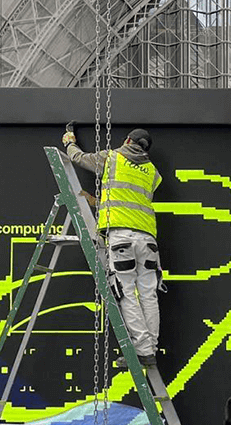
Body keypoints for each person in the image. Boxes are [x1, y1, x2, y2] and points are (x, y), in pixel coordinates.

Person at [62, 127, 165, 366]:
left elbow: (78, 158)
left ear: (128, 140)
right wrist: (101, 202)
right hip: (148, 241)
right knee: (148, 295)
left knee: (126, 292)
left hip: (122, 237)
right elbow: (130, 199)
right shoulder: (153, 173)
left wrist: (69, 142)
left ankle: (142, 350)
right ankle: (151, 348)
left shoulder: (112, 157)